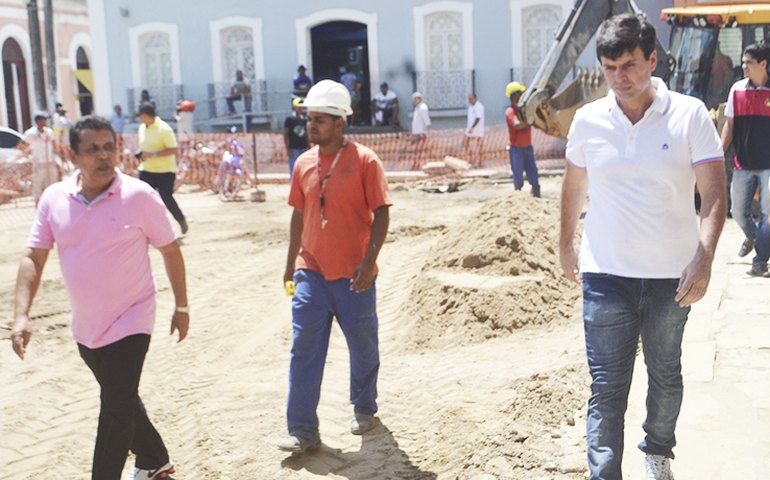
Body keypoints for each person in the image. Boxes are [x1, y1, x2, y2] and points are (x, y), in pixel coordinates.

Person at [560, 14, 726, 480]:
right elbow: (573, 187)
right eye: (610, 68)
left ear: (653, 59)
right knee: (607, 386)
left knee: (665, 375)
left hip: (670, 277)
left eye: (630, 65)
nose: (620, 78)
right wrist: (565, 245)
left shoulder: (689, 114)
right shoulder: (588, 120)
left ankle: (657, 451)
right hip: (605, 274)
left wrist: (705, 257)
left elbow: (713, 190)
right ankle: (604, 473)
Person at [10, 115, 189, 480]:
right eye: (92, 149)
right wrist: (20, 315)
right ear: (72, 155)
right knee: (120, 397)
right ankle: (154, 458)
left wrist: (181, 306)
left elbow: (170, 250)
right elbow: (34, 257)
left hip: (133, 318)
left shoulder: (139, 196)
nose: (104, 156)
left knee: (114, 408)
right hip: (87, 327)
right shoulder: (54, 199)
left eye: (109, 147)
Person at [279, 79, 391, 454]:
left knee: (363, 345)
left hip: (354, 275)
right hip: (310, 271)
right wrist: (290, 264)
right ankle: (302, 430)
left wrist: (368, 261)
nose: (312, 126)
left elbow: (381, 213)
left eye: (321, 120)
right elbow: (298, 215)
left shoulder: (364, 161)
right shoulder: (303, 163)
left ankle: (364, 406)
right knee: (304, 348)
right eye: (310, 119)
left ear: (340, 123)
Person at [720, 41, 770, 277]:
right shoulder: (736, 90)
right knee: (738, 212)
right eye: (743, 62)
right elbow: (729, 125)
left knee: (768, 215)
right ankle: (753, 236)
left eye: (748, 63)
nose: (744, 67)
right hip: (742, 163)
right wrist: (719, 152)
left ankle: (760, 260)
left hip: (768, 166)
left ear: (763, 64)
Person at [137, 102, 188, 234]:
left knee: (166, 198)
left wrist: (153, 154)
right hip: (146, 170)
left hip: (164, 171)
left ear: (145, 115)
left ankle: (180, 220)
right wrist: (141, 153)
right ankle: (147, 229)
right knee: (143, 200)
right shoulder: (142, 128)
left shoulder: (164, 129)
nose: (138, 118)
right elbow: (145, 146)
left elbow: (173, 150)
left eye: (139, 115)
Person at [505, 82, 541, 197]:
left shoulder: (523, 111)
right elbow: (517, 125)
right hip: (516, 149)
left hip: (527, 147)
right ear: (514, 96)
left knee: (533, 173)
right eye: (520, 94)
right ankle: (518, 197)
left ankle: (536, 194)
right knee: (518, 174)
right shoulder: (510, 111)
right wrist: (530, 121)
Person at [21, 112, 61, 206]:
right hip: (38, 162)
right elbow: (23, 146)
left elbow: (54, 145)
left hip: (50, 161)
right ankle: (38, 204)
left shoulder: (49, 132)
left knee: (52, 183)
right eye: (43, 120)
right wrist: (28, 156)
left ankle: (53, 203)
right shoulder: (30, 133)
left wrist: (57, 157)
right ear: (38, 121)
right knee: (38, 184)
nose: (45, 122)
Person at [283, 97, 309, 176]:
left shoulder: (304, 120)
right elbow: (285, 134)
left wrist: (308, 146)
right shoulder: (290, 120)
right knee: (294, 170)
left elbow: (306, 134)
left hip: (303, 147)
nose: (301, 108)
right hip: (294, 149)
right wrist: (288, 149)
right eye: (299, 106)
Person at [410, 91, 431, 170]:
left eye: (415, 99)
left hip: (421, 132)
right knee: (417, 150)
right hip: (417, 132)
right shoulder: (417, 108)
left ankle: (418, 164)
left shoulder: (423, 108)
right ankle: (416, 163)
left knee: (419, 150)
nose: (414, 101)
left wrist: (428, 131)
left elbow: (426, 120)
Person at [463, 93, 485, 167]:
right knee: (465, 143)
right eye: (469, 99)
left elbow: (478, 118)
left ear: (475, 98)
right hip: (470, 128)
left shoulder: (479, 106)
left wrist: (473, 127)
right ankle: (471, 159)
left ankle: (480, 162)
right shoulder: (470, 107)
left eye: (471, 99)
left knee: (479, 146)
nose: (470, 101)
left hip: (478, 129)